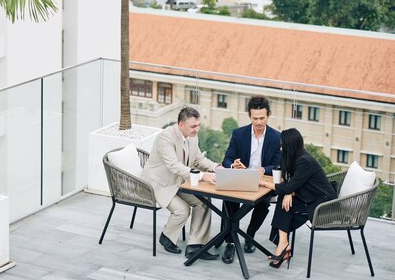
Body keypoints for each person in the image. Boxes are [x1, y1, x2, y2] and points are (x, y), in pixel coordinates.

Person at [140, 107, 220, 260]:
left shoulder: (192, 136)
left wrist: (216, 167)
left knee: (203, 201)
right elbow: (174, 165)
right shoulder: (165, 137)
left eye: (198, 125)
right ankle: (166, 237)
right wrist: (203, 176)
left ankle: (195, 246)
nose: (197, 129)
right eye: (193, 126)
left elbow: (198, 159)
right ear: (181, 125)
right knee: (182, 210)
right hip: (157, 184)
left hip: (177, 182)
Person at [258, 128, 337, 268]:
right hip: (308, 195)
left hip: (322, 202)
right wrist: (289, 192)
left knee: (285, 207)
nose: (281, 148)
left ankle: (283, 246)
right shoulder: (293, 157)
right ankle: (284, 245)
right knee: (284, 202)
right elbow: (288, 180)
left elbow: (289, 185)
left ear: (290, 146)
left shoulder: (304, 161)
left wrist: (264, 183)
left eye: (283, 145)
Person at [220, 95, 281, 264]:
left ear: (268, 115)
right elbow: (227, 159)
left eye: (262, 118)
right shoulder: (238, 134)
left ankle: (249, 235)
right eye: (255, 118)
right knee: (229, 199)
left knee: (263, 203)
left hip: (263, 181)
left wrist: (263, 169)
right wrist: (233, 165)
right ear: (249, 116)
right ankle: (231, 241)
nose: (259, 122)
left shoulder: (276, 137)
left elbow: (278, 165)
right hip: (241, 178)